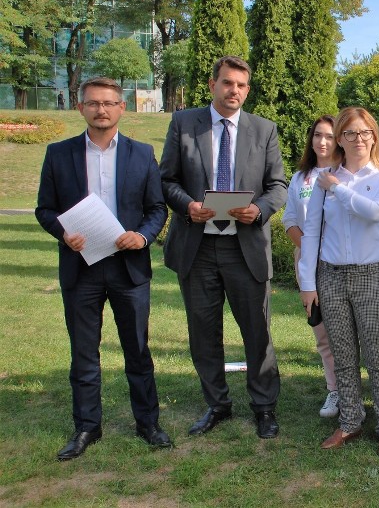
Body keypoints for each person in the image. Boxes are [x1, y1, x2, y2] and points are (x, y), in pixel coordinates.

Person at [36, 77, 170, 460]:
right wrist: (63, 233)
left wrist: (142, 237)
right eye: (93, 103)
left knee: (138, 351)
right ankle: (87, 428)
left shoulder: (141, 153)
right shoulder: (59, 154)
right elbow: (44, 209)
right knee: (83, 353)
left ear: (121, 108)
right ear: (81, 108)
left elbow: (156, 208)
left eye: (109, 103)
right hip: (81, 268)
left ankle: (148, 423)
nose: (101, 110)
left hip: (128, 267)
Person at [159, 56, 286, 439]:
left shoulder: (264, 130)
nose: (235, 91)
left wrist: (258, 210)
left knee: (257, 332)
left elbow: (278, 186)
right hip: (197, 249)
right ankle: (217, 404)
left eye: (242, 86)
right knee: (203, 332)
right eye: (228, 83)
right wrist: (187, 205)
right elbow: (167, 179)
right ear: (213, 85)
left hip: (244, 247)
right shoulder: (184, 124)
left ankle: (264, 408)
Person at [298, 107, 379, 460]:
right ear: (339, 138)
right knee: (342, 353)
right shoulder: (324, 178)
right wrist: (306, 282)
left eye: (365, 133)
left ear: (374, 136)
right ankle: (351, 420)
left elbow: (374, 212)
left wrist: (338, 188)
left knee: (377, 355)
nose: (359, 140)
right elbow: (311, 232)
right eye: (350, 134)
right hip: (331, 275)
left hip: (371, 273)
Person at [282, 115, 340, 418]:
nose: (323, 142)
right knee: (321, 331)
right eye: (318, 135)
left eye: (329, 136)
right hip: (309, 262)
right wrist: (311, 251)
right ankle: (335, 391)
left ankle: (352, 386)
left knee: (346, 330)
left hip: (342, 264)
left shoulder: (346, 173)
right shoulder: (300, 177)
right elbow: (290, 220)